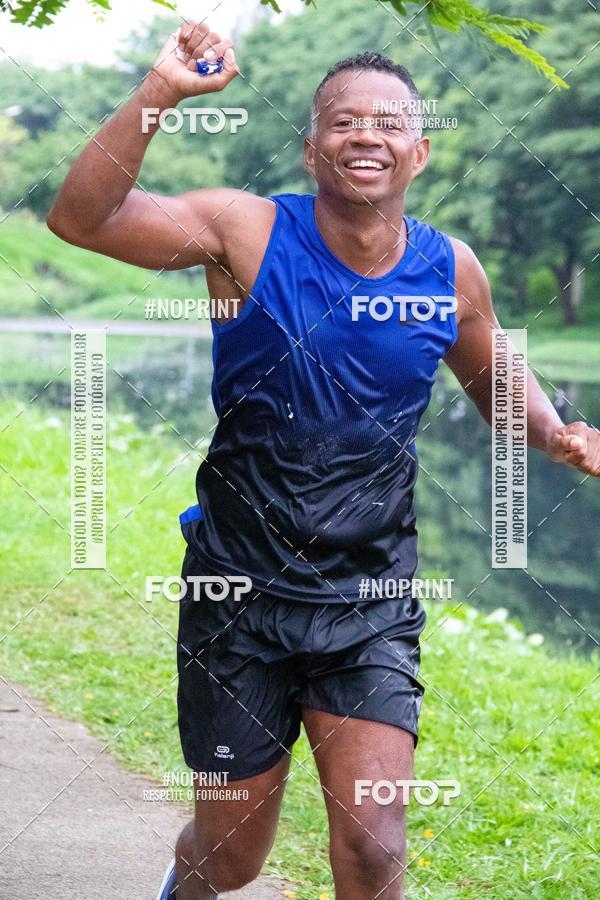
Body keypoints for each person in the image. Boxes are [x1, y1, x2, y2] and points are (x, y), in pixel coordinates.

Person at [47, 20, 600, 900]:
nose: (366, 136)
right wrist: (161, 91)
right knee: (231, 856)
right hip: (237, 592)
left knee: (375, 845)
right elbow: (81, 220)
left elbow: (497, 385)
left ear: (420, 151)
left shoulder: (450, 271)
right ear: (312, 150)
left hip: (368, 595)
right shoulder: (244, 231)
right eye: (344, 122)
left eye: (389, 123)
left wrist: (561, 433)